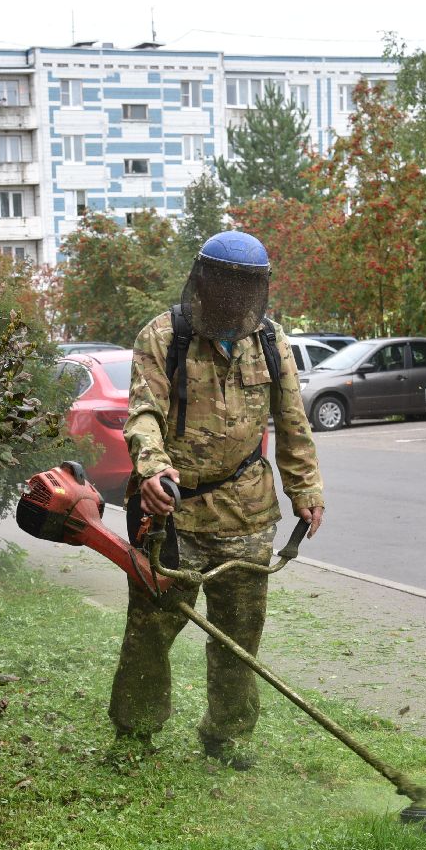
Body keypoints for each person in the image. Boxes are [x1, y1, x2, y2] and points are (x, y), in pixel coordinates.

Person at [110, 230, 325, 770]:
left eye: (245, 288)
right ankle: (135, 736)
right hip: (172, 517)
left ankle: (226, 737)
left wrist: (306, 489)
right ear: (203, 281)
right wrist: (153, 470)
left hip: (247, 514)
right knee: (150, 632)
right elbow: (143, 414)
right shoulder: (164, 336)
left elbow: (292, 421)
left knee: (238, 637)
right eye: (225, 285)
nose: (234, 298)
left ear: (259, 289)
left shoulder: (270, 341)